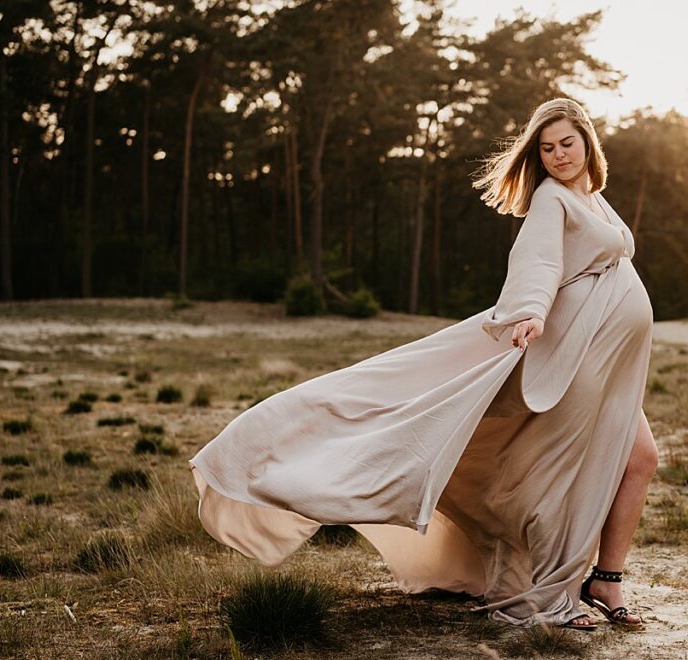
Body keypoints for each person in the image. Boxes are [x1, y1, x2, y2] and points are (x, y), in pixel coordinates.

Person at [188, 97, 658, 631]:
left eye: (566, 144)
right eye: (546, 148)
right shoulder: (551, 199)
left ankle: (607, 577)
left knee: (640, 460)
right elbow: (539, 261)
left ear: (587, 141)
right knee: (562, 473)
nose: (557, 156)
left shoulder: (593, 197)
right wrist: (529, 311)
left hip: (611, 362)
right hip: (575, 358)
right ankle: (551, 596)